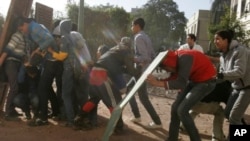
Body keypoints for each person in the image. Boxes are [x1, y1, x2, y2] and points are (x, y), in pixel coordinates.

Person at [146, 50, 216, 141]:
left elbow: (180, 83)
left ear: (168, 63)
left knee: (182, 110)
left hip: (206, 82)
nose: (167, 70)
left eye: (166, 68)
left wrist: (157, 83)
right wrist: (158, 80)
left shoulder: (184, 57)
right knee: (175, 107)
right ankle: (172, 138)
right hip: (195, 81)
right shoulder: (176, 58)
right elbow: (175, 77)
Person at [78, 36, 139, 133]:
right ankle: (118, 127)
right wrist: (139, 72)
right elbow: (130, 69)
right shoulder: (126, 50)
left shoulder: (113, 50)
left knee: (94, 99)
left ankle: (79, 119)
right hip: (101, 74)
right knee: (115, 102)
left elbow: (118, 67)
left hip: (94, 73)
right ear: (129, 45)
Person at [16, 17, 61, 126]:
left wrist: (38, 50)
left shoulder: (35, 27)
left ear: (25, 24)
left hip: (51, 60)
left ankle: (43, 118)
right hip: (51, 61)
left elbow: (49, 39)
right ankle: (56, 112)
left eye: (22, 28)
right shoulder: (37, 27)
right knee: (47, 88)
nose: (23, 31)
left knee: (42, 89)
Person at [214, 30, 250, 139]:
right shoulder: (222, 56)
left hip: (248, 87)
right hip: (236, 87)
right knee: (228, 113)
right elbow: (222, 76)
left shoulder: (240, 51)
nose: (215, 41)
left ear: (226, 40)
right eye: (215, 39)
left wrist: (219, 75)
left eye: (218, 39)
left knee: (234, 117)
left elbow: (239, 72)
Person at [129, 17, 162, 128]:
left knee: (143, 98)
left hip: (141, 71)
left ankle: (157, 122)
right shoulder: (146, 37)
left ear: (137, 26)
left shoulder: (138, 37)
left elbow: (145, 57)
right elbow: (152, 55)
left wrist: (132, 59)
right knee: (129, 89)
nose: (131, 27)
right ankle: (137, 115)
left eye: (132, 25)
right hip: (143, 70)